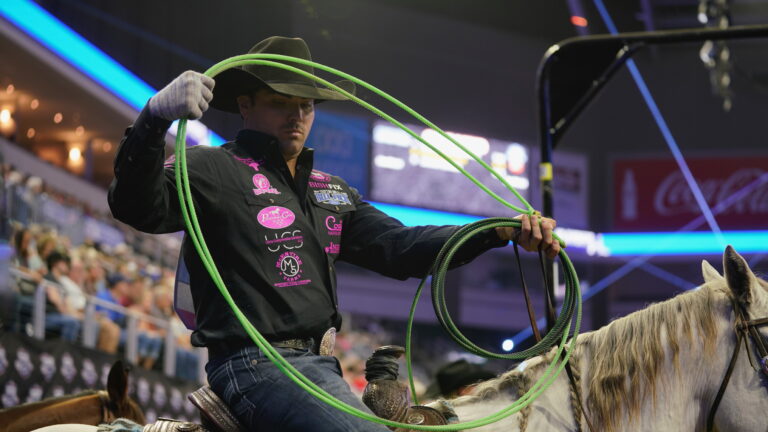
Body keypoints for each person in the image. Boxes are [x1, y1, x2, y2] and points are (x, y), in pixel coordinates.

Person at [108, 36, 559, 431]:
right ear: (245, 105)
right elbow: (137, 207)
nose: (297, 115)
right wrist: (153, 120)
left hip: (319, 367)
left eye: (306, 105)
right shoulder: (210, 167)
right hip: (254, 364)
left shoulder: (332, 191)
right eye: (281, 102)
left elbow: (402, 248)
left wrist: (495, 232)